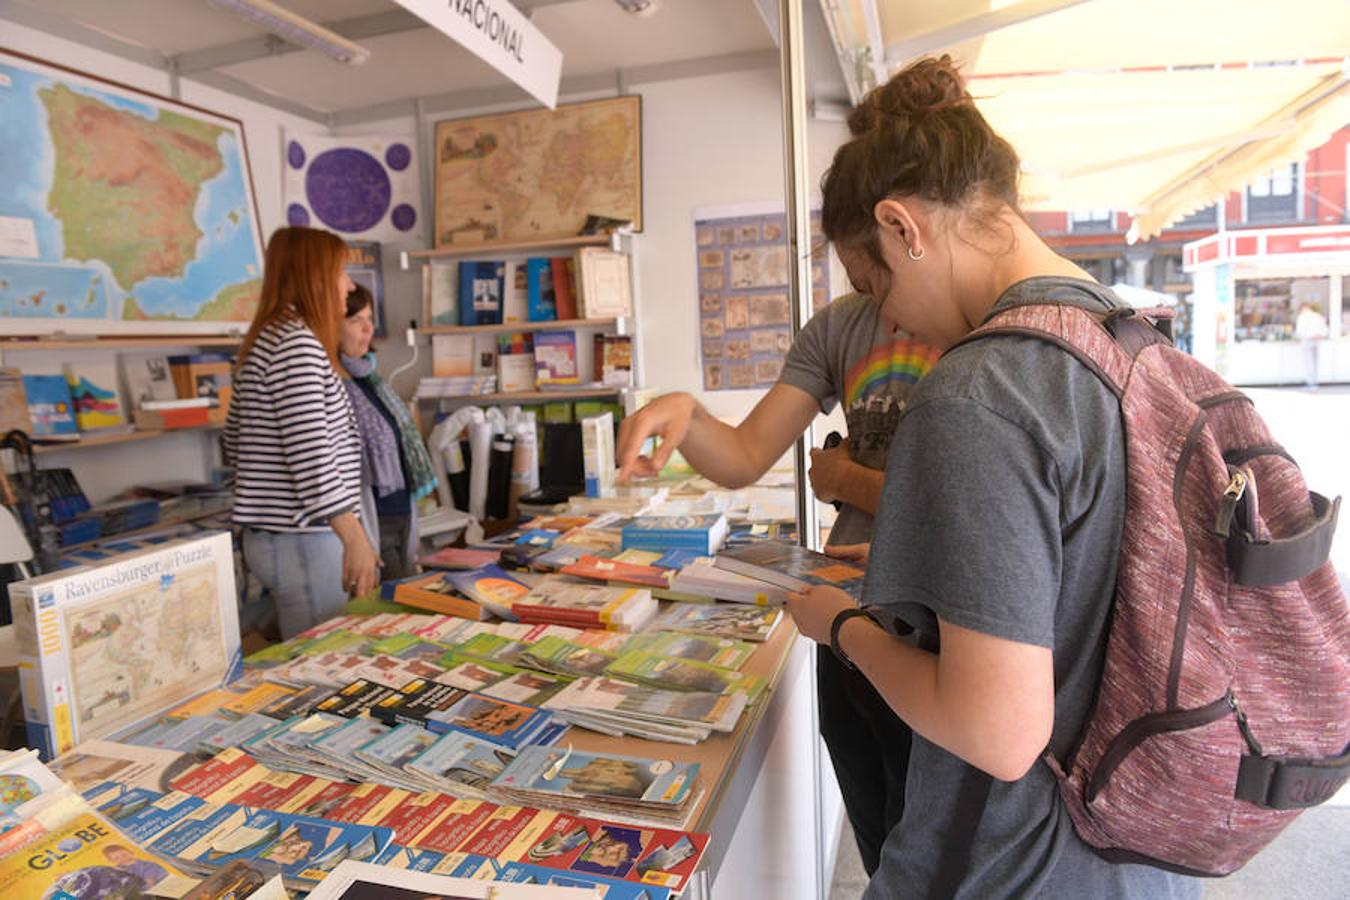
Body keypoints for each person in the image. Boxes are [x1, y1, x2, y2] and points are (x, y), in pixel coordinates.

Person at [784, 56, 1199, 898]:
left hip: (1011, 863)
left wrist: (841, 627)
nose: (890, 317)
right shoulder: (1130, 340)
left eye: (878, 285)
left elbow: (998, 732)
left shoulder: (980, 390)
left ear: (904, 227)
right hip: (1141, 846)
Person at [616, 245, 940, 874]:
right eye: (854, 271)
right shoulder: (841, 325)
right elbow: (743, 455)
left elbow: (963, 513)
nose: (870, 290)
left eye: (872, 268)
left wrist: (849, 481)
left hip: (933, 623)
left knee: (932, 836)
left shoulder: (973, 328)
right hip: (846, 609)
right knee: (876, 824)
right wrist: (688, 412)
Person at [224, 226, 378, 639]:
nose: (348, 285)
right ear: (314, 275)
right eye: (340, 271)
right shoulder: (296, 343)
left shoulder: (271, 337)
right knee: (320, 661)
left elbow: (233, 444)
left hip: (285, 537)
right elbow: (311, 455)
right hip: (304, 536)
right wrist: (354, 536)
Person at [339, 283, 438, 578]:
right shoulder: (334, 385)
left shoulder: (371, 380)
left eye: (370, 319)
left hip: (401, 515)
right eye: (356, 320)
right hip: (371, 524)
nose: (367, 329)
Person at [1294, 302, 1328, 388]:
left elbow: (1299, 332)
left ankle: (1310, 383)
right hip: (1317, 341)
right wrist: (1319, 335)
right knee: (1315, 362)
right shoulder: (1318, 316)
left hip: (1307, 342)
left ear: (1302, 308)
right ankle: (1314, 382)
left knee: (1308, 363)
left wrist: (1310, 336)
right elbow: (1325, 329)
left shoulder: (1302, 317)